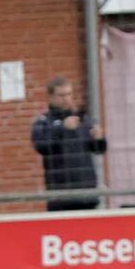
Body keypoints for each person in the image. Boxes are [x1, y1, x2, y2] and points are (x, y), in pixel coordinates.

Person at [31, 76, 107, 211]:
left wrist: (99, 138)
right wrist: (62, 129)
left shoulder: (83, 120)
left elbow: (99, 150)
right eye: (61, 95)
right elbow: (41, 146)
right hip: (60, 195)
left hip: (87, 193)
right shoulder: (43, 122)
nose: (66, 99)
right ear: (50, 97)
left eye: (69, 94)